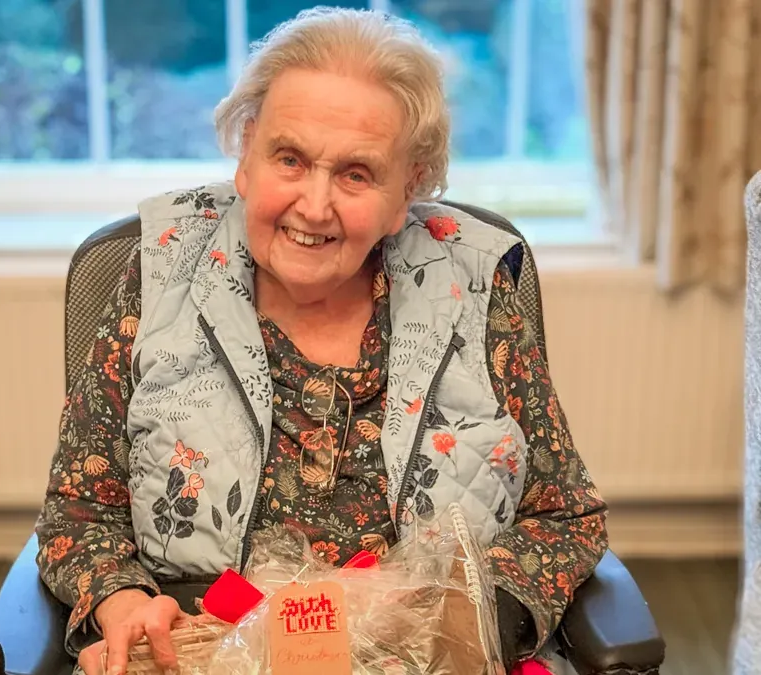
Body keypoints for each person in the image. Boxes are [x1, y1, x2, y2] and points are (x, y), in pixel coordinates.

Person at [35, 7, 608, 675]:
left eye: (356, 173)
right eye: (290, 158)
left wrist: (454, 616)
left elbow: (566, 517)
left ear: (407, 190)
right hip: (205, 653)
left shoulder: (475, 287)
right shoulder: (163, 277)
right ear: (246, 153)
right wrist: (123, 598)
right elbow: (80, 512)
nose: (314, 205)